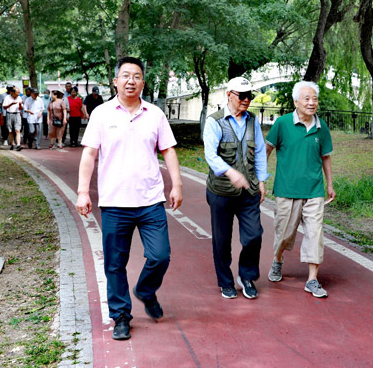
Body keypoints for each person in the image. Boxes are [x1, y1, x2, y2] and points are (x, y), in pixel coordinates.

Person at [75, 56, 183, 341]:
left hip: (150, 201)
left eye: (136, 76)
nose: (131, 81)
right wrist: (83, 192)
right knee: (115, 264)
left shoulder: (155, 114)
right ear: (115, 81)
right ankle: (121, 315)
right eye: (125, 75)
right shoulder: (101, 114)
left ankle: (145, 290)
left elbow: (168, 150)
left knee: (160, 256)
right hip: (114, 203)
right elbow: (89, 153)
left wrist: (177, 185)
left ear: (143, 82)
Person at [265, 81, 335, 298]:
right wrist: (260, 179)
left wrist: (329, 184)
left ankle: (312, 279)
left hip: (314, 190)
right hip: (286, 189)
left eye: (315, 99)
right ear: (296, 101)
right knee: (284, 233)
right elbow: (266, 150)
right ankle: (277, 259)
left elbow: (325, 157)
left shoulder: (321, 127)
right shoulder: (282, 124)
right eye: (307, 98)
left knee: (315, 233)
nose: (312, 102)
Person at [203, 77, 268, 300]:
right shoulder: (215, 121)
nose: (247, 100)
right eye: (242, 96)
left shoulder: (252, 120)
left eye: (250, 96)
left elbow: (259, 150)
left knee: (254, 235)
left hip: (248, 191)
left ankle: (246, 276)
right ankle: (225, 282)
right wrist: (230, 172)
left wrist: (261, 180)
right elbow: (210, 155)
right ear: (229, 94)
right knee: (222, 240)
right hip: (221, 192)